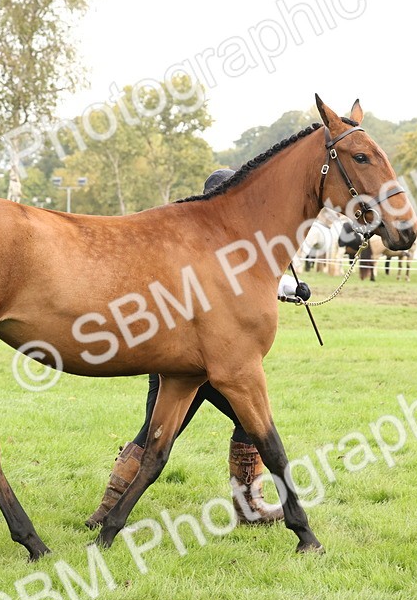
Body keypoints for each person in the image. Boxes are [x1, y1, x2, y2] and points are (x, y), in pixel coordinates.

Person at [87, 168, 311, 530]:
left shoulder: (197, 238)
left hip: (182, 358)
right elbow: (242, 277)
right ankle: (249, 506)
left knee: (156, 431)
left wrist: (287, 288)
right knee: (232, 424)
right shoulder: (214, 242)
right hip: (197, 360)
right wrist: (287, 288)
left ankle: (107, 508)